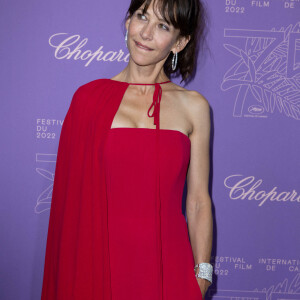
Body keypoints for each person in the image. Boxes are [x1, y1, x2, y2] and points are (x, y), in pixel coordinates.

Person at [41, 0, 213, 299]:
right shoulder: (88, 100)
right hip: (97, 267)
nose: (145, 33)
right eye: (141, 16)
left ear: (180, 41)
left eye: (162, 26)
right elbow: (69, 209)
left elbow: (198, 201)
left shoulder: (194, 106)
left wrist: (203, 274)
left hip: (167, 269)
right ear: (127, 22)